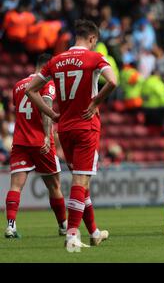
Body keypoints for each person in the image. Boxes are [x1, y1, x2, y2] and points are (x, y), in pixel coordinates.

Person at [25, 19, 117, 248]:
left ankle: (94, 232)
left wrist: (52, 114)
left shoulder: (56, 60)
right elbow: (113, 81)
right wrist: (96, 101)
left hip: (65, 127)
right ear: (93, 38)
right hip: (86, 126)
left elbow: (30, 90)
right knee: (80, 180)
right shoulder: (95, 58)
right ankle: (72, 235)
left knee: (81, 182)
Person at [5, 54, 66, 239]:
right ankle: (64, 225)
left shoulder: (18, 85)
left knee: (16, 185)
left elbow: (18, 111)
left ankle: (10, 226)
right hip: (40, 142)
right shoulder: (47, 83)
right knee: (54, 186)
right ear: (47, 66)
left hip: (20, 142)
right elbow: (46, 105)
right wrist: (47, 135)